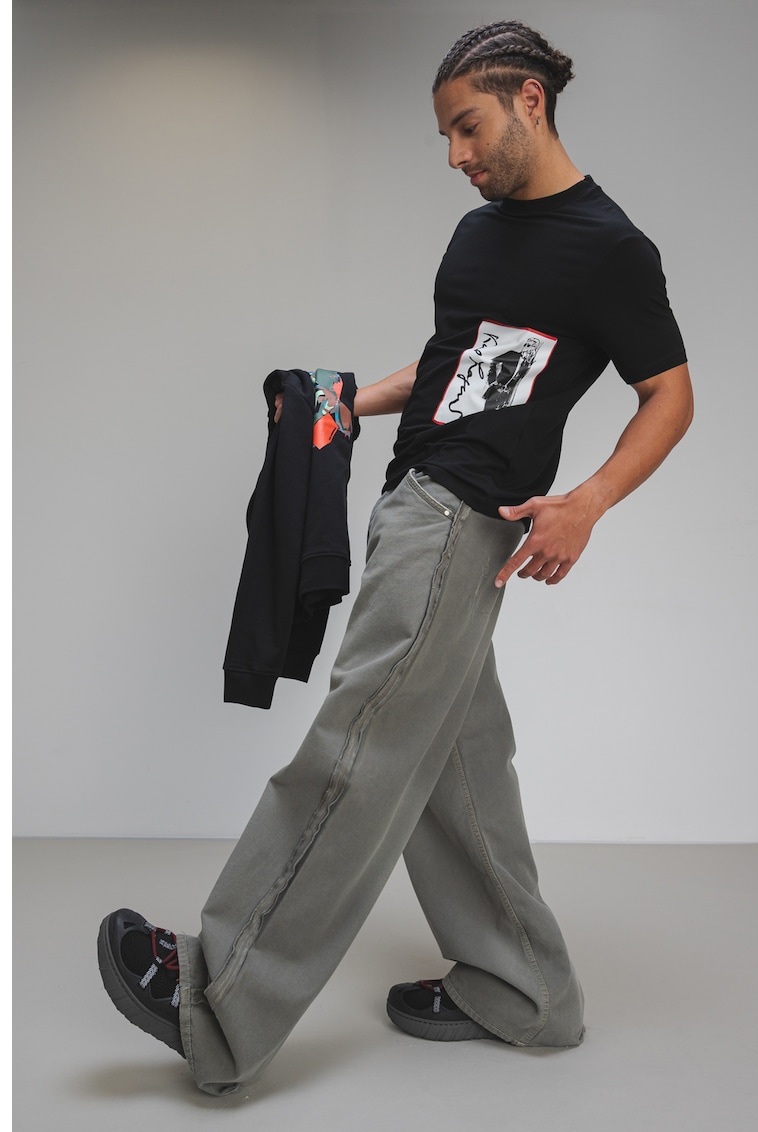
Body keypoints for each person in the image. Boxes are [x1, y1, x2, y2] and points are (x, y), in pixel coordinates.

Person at [97, 20, 693, 1096]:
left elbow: (670, 394)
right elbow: (454, 363)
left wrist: (588, 503)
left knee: (357, 749)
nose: (456, 155)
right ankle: (526, 991)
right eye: (445, 137)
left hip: (460, 521)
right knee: (459, 776)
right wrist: (345, 401)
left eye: (468, 127)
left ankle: (217, 1001)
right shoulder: (479, 238)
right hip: (413, 499)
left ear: (530, 101)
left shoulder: (610, 250)